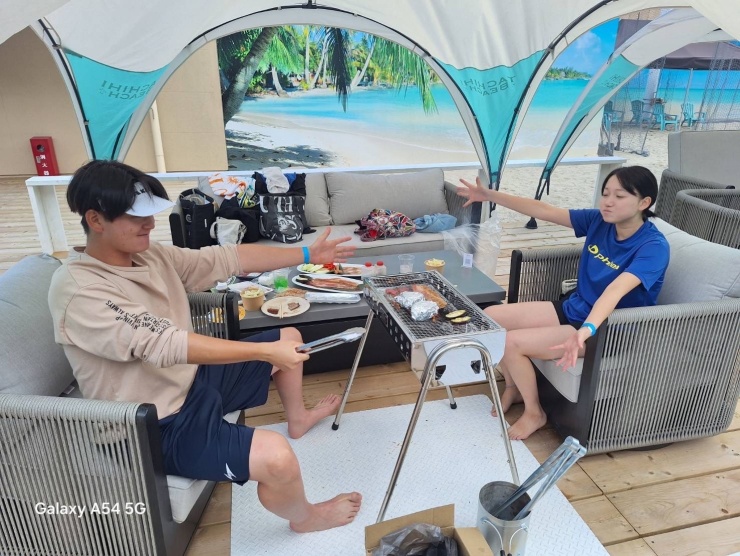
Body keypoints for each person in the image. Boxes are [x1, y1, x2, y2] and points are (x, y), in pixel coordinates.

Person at [48, 160, 362, 533]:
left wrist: (308, 255)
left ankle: (298, 419)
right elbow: (164, 343)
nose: (149, 224)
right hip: (150, 425)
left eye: (149, 214)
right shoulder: (81, 289)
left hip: (189, 383)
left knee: (287, 337)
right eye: (136, 217)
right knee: (278, 459)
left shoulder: (149, 255)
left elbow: (227, 258)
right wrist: (261, 352)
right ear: (95, 220)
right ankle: (305, 519)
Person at [456, 166, 669, 440]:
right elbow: (543, 210)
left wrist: (586, 330)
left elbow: (615, 291)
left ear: (644, 203)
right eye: (605, 193)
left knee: (511, 342)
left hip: (608, 329)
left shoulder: (653, 247)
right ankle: (514, 387)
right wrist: (488, 195)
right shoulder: (598, 221)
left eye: (619, 196)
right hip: (576, 308)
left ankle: (535, 412)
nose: (608, 202)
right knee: (492, 317)